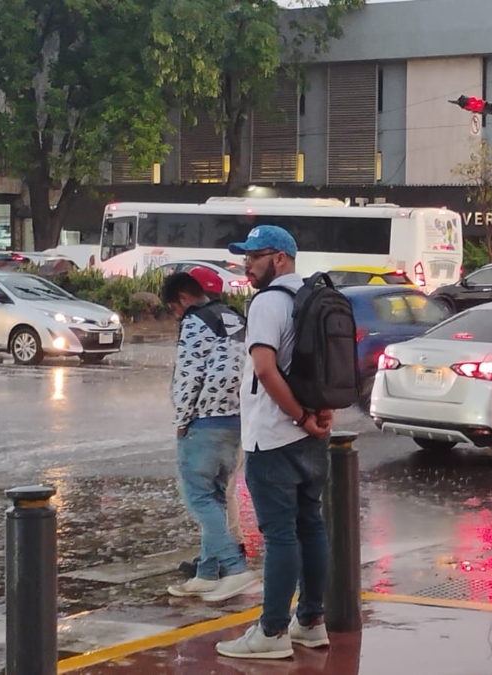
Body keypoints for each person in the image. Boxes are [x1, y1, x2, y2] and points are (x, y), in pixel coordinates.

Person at [215, 225, 335, 660]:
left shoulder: (269, 302)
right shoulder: (310, 298)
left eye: (255, 255)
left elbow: (265, 369)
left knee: (281, 535)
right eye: (245, 255)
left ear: (280, 259)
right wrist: (316, 416)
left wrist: (299, 416)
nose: (246, 263)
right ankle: (311, 622)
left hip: (273, 436)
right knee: (311, 526)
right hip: (311, 439)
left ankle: (271, 633)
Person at [161, 273, 258, 602]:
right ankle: (206, 573)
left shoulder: (195, 321)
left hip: (204, 421)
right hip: (236, 420)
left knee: (199, 498)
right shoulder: (234, 317)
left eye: (173, 307)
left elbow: (189, 375)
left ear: (183, 298)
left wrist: (181, 420)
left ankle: (234, 568)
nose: (175, 314)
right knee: (216, 496)